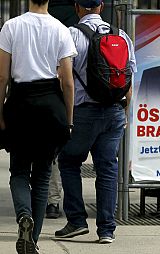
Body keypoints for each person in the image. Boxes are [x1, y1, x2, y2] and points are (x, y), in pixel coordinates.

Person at [55, 0, 136, 244]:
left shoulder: (71, 35)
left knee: (69, 162)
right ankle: (107, 230)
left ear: (78, 8)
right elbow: (130, 75)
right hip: (114, 111)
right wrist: (124, 111)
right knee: (108, 168)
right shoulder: (120, 35)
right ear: (101, 7)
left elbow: (63, 78)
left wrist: (67, 117)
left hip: (82, 112)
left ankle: (77, 221)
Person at [0, 0, 76, 252]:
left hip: (21, 103)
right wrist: (68, 119)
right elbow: (67, 81)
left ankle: (24, 216)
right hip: (50, 104)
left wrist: (0, 113)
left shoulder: (11, 27)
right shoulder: (60, 29)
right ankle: (32, 242)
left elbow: (2, 76)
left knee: (19, 172)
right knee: (43, 178)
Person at [46, 0, 79, 220]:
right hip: (79, 94)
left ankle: (52, 201)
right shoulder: (74, 22)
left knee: (53, 154)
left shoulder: (49, 17)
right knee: (71, 155)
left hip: (50, 92)